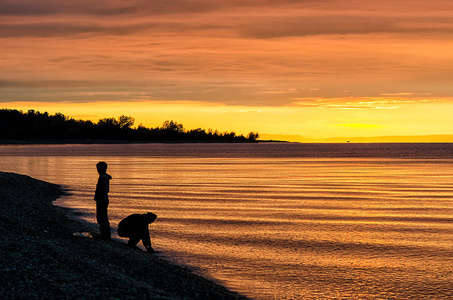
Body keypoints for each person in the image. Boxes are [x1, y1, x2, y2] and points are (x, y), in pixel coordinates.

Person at [94, 161, 112, 240]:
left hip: (102, 199)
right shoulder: (102, 176)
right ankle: (104, 234)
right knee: (101, 217)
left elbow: (104, 190)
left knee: (103, 217)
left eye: (98, 168)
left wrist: (100, 198)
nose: (97, 170)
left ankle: (105, 235)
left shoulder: (103, 177)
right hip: (102, 199)